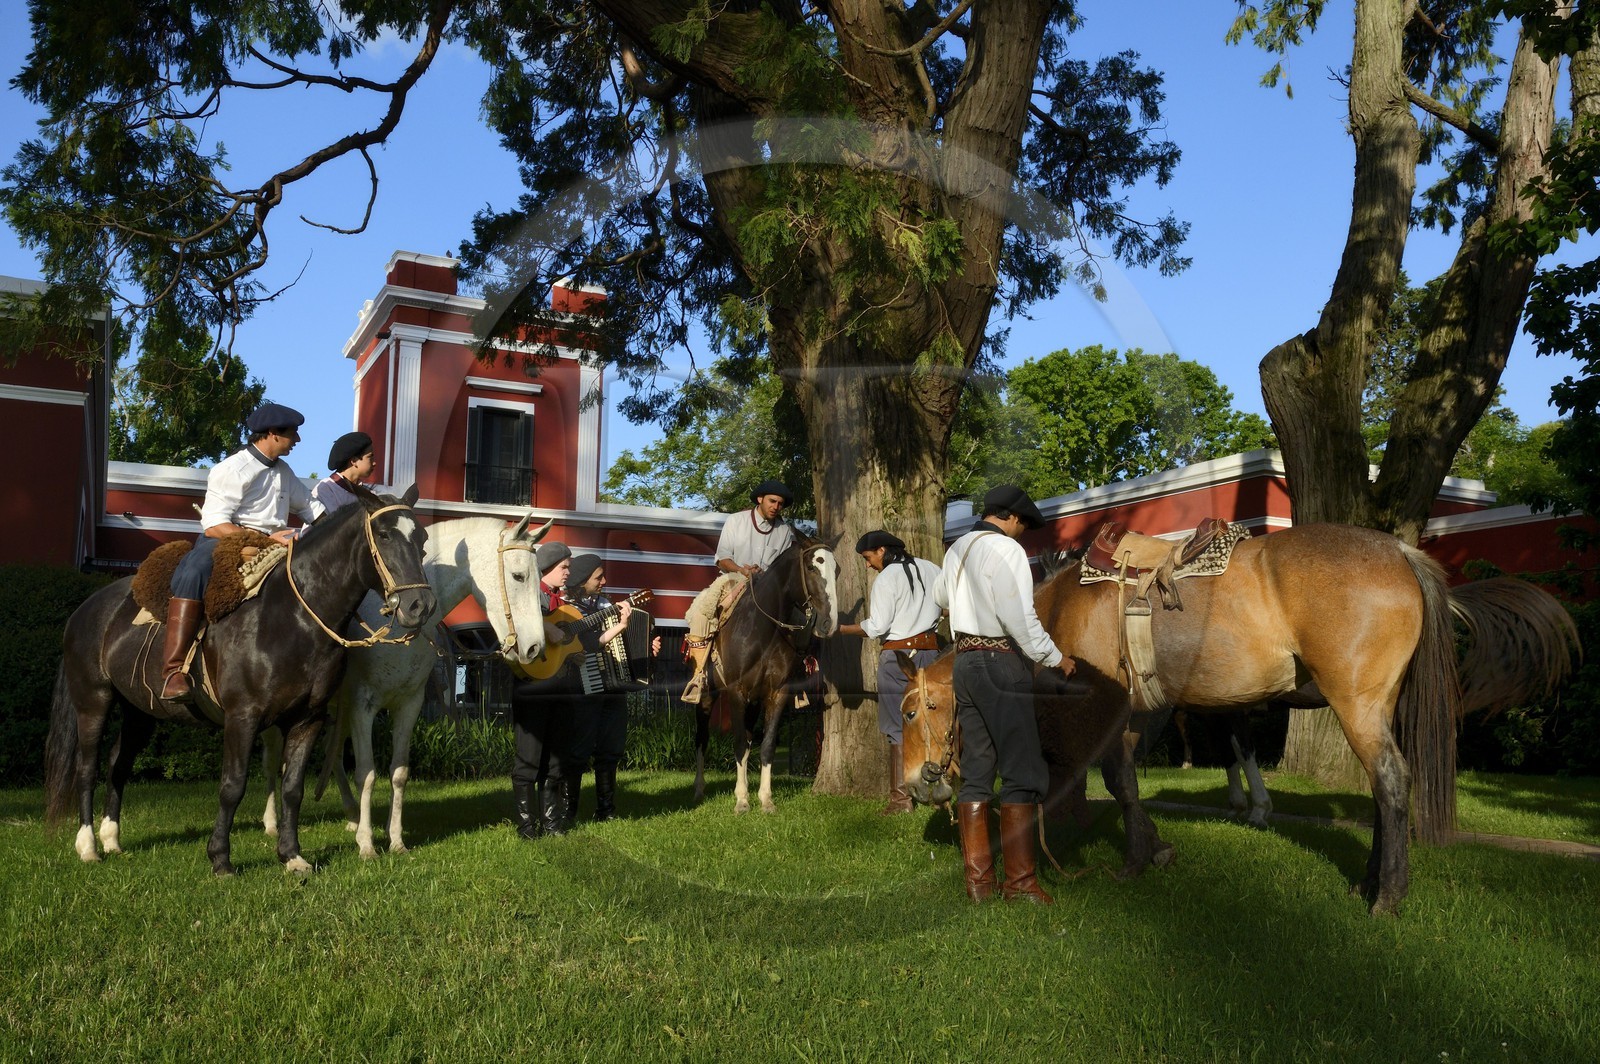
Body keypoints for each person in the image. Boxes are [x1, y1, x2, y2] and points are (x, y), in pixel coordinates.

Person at [933, 485, 1072, 904]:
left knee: (976, 771)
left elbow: (940, 598)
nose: (1021, 533)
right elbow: (1020, 617)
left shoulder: (956, 548)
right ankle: (1020, 884)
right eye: (1022, 526)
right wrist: (1054, 657)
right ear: (1011, 518)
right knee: (1022, 770)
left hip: (965, 664)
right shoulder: (1006, 550)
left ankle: (979, 885)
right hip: (999, 662)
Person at [161, 402, 324, 702]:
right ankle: (173, 670)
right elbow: (213, 525)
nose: (297, 441)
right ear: (273, 434)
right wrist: (263, 539)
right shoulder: (232, 469)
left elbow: (312, 509)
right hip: (227, 541)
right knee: (195, 569)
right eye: (293, 434)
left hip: (276, 542)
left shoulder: (284, 471)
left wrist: (343, 523)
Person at [835, 530, 942, 814]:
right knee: (933, 723)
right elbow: (947, 604)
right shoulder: (932, 568)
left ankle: (900, 799)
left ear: (881, 550)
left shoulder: (886, 578)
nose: (868, 565)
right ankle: (938, 793)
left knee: (896, 726)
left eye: (868, 558)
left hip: (897, 659)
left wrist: (841, 629)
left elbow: (877, 626)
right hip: (932, 654)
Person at [680, 478, 796, 705]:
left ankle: (795, 680)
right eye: (772, 501)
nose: (776, 507)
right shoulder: (736, 521)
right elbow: (722, 559)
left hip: (769, 588)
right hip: (734, 579)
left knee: (800, 618)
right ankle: (699, 675)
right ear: (760, 499)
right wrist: (742, 570)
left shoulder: (785, 531)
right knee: (701, 612)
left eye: (780, 504)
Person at [561, 554, 658, 823]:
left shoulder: (607, 606)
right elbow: (586, 644)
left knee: (610, 749)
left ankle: (606, 811)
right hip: (581, 688)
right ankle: (568, 812)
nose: (604, 581)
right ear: (582, 581)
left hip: (614, 688)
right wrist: (620, 627)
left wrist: (649, 649)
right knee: (578, 752)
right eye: (598, 577)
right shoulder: (565, 608)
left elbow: (628, 643)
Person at [508, 541, 580, 839]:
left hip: (560, 686)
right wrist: (543, 627)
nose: (567, 573)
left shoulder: (563, 604)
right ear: (547, 567)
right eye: (564, 567)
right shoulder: (525, 596)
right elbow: (513, 622)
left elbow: (565, 642)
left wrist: (575, 651)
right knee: (529, 755)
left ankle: (551, 824)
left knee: (556, 756)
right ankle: (526, 827)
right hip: (532, 685)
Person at [311, 431, 376, 513]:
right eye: (370, 457)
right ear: (354, 461)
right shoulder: (326, 489)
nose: (374, 463)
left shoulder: (368, 494)